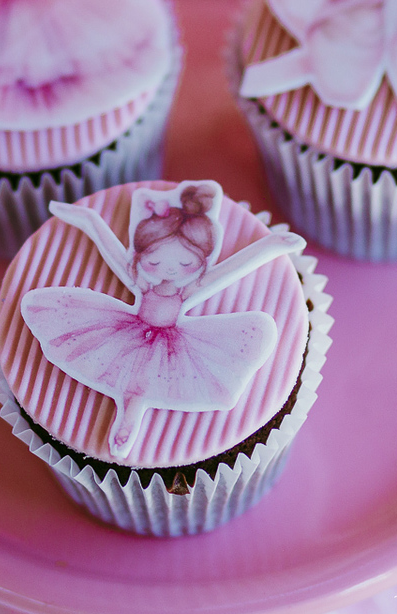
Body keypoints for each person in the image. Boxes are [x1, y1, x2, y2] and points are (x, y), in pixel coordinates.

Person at [20, 181, 304, 459]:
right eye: (154, 261)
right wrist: (86, 218)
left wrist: (272, 246)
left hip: (171, 346)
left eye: (185, 264)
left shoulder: (190, 289)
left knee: (143, 388)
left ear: (201, 263)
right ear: (142, 255)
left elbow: (236, 267)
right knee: (131, 387)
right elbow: (110, 248)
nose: (168, 269)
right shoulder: (140, 281)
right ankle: (125, 427)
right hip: (127, 332)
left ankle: (126, 428)